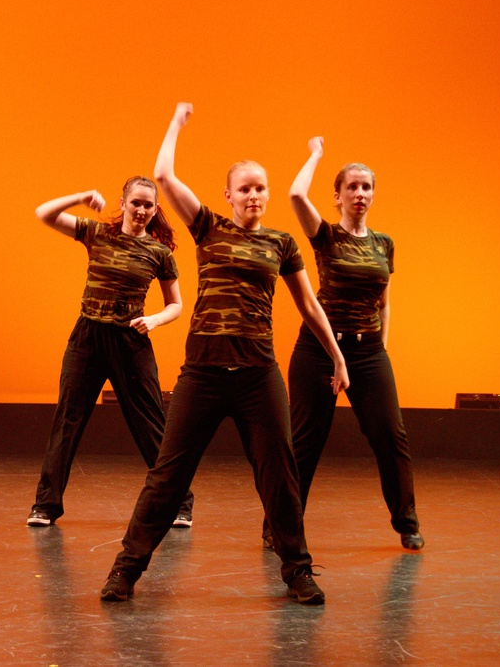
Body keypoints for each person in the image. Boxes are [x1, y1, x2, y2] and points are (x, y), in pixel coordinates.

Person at [100, 104, 349, 605]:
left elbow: (309, 305)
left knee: (280, 476)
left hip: (258, 374)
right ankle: (125, 570)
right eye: (245, 188)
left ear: (267, 195)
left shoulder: (282, 243)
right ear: (229, 195)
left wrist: (338, 357)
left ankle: (298, 571)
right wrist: (175, 123)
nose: (254, 195)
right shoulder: (208, 227)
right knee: (167, 477)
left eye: (261, 188)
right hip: (204, 373)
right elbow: (164, 175)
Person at [27, 177, 194, 527]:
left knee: (151, 424)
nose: (141, 210)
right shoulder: (97, 233)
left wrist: (155, 320)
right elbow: (44, 213)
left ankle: (179, 502)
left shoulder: (159, 253)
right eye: (136, 203)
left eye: (148, 205)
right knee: (67, 420)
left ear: (155, 209)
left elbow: (176, 305)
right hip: (88, 338)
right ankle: (45, 505)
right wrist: (80, 196)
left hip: (130, 340)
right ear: (123, 203)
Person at [285, 136, 423, 550]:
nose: (360, 193)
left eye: (366, 187)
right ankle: (281, 525)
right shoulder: (326, 236)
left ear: (373, 194)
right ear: (338, 196)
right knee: (305, 442)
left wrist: (381, 349)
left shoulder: (383, 244)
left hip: (367, 351)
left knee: (390, 437)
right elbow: (295, 195)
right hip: (318, 350)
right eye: (352, 187)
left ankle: (407, 523)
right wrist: (315, 154)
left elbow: (384, 302)